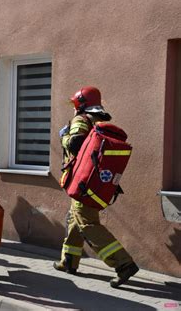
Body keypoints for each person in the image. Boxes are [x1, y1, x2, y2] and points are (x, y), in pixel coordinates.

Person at [54, 86, 139, 288]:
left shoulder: (80, 120)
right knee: (75, 218)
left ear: (80, 105)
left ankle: (123, 263)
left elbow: (75, 143)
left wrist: (64, 136)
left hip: (83, 181)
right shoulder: (98, 121)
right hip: (91, 182)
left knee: (87, 223)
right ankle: (69, 261)